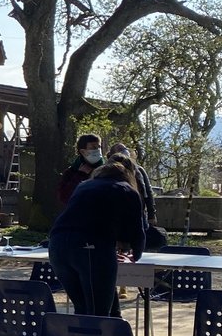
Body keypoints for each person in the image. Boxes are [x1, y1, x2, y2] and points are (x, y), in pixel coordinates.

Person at [47, 160, 146, 317]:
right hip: (91, 246)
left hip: (57, 245)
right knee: (97, 314)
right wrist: (136, 255)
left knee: (82, 308)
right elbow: (137, 231)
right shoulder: (127, 190)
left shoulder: (83, 186)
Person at [108, 142, 157, 225]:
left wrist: (151, 215)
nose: (125, 151)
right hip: (117, 214)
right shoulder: (108, 170)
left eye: (125, 148)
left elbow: (148, 192)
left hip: (140, 213)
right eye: (120, 150)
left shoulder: (139, 170)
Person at [57, 133, 103, 204]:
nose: (97, 150)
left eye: (99, 147)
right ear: (83, 151)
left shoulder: (106, 169)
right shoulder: (72, 172)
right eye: (93, 148)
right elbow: (64, 197)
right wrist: (80, 175)